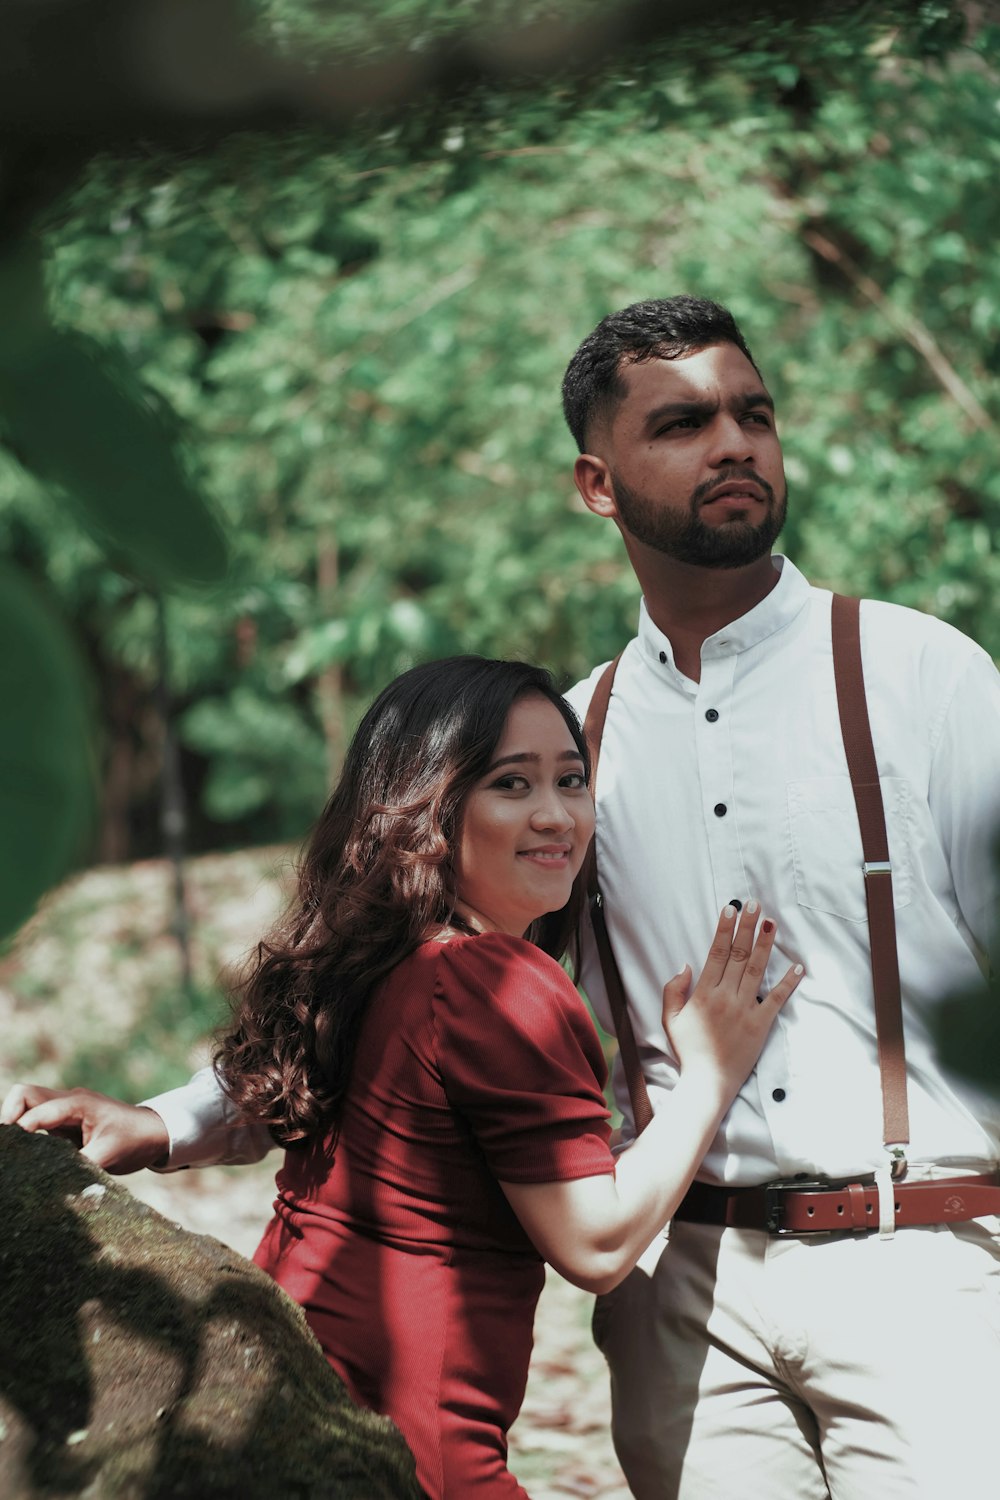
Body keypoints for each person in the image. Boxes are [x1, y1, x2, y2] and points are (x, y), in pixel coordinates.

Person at [4, 653, 801, 1499]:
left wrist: (159, 1126)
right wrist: (709, 1071)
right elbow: (596, 1242)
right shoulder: (501, 986)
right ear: (427, 807)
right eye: (511, 785)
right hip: (416, 1453)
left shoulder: (369, 958)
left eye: (571, 781)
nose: (556, 815)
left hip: (290, 1400)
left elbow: (309, 1103)